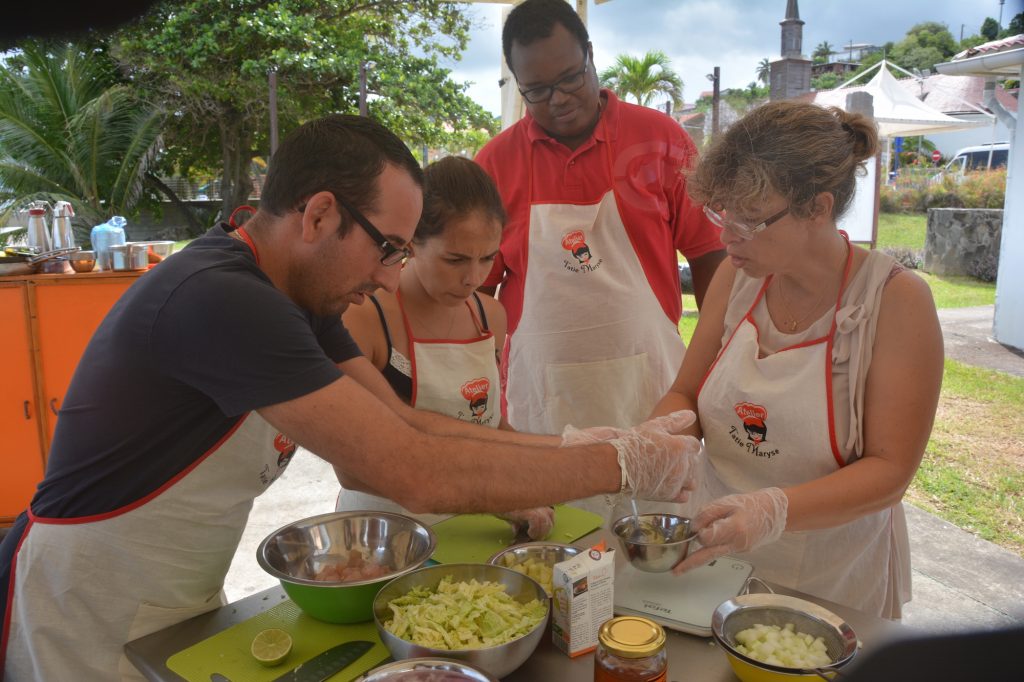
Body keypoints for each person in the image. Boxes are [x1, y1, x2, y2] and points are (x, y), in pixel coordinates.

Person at [0, 115, 703, 681]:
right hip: (88, 602)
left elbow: (404, 422)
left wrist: (586, 445)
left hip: (176, 596)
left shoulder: (298, 298)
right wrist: (621, 466)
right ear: (318, 215)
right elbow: (409, 471)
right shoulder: (222, 299)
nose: (393, 276)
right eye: (389, 248)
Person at [648, 101, 944, 619]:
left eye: (750, 220)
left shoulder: (894, 301)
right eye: (723, 215)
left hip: (829, 576)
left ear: (818, 207)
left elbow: (891, 470)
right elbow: (687, 395)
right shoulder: (736, 279)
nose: (725, 237)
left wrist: (772, 509)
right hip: (712, 553)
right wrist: (655, 438)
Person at [475, 0, 725, 444]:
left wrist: (718, 364)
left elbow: (710, 256)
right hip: (538, 397)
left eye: (570, 78)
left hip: (653, 387)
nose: (560, 99)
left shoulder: (661, 141)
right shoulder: (494, 165)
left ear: (590, 54)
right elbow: (474, 289)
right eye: (537, 90)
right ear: (517, 84)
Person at [336, 155, 532, 529]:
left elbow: (487, 424)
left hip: (473, 521)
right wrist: (489, 494)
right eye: (455, 259)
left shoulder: (491, 316)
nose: (472, 278)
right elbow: (352, 467)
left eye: (487, 258)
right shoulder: (365, 317)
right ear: (411, 243)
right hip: (385, 527)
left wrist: (543, 470)